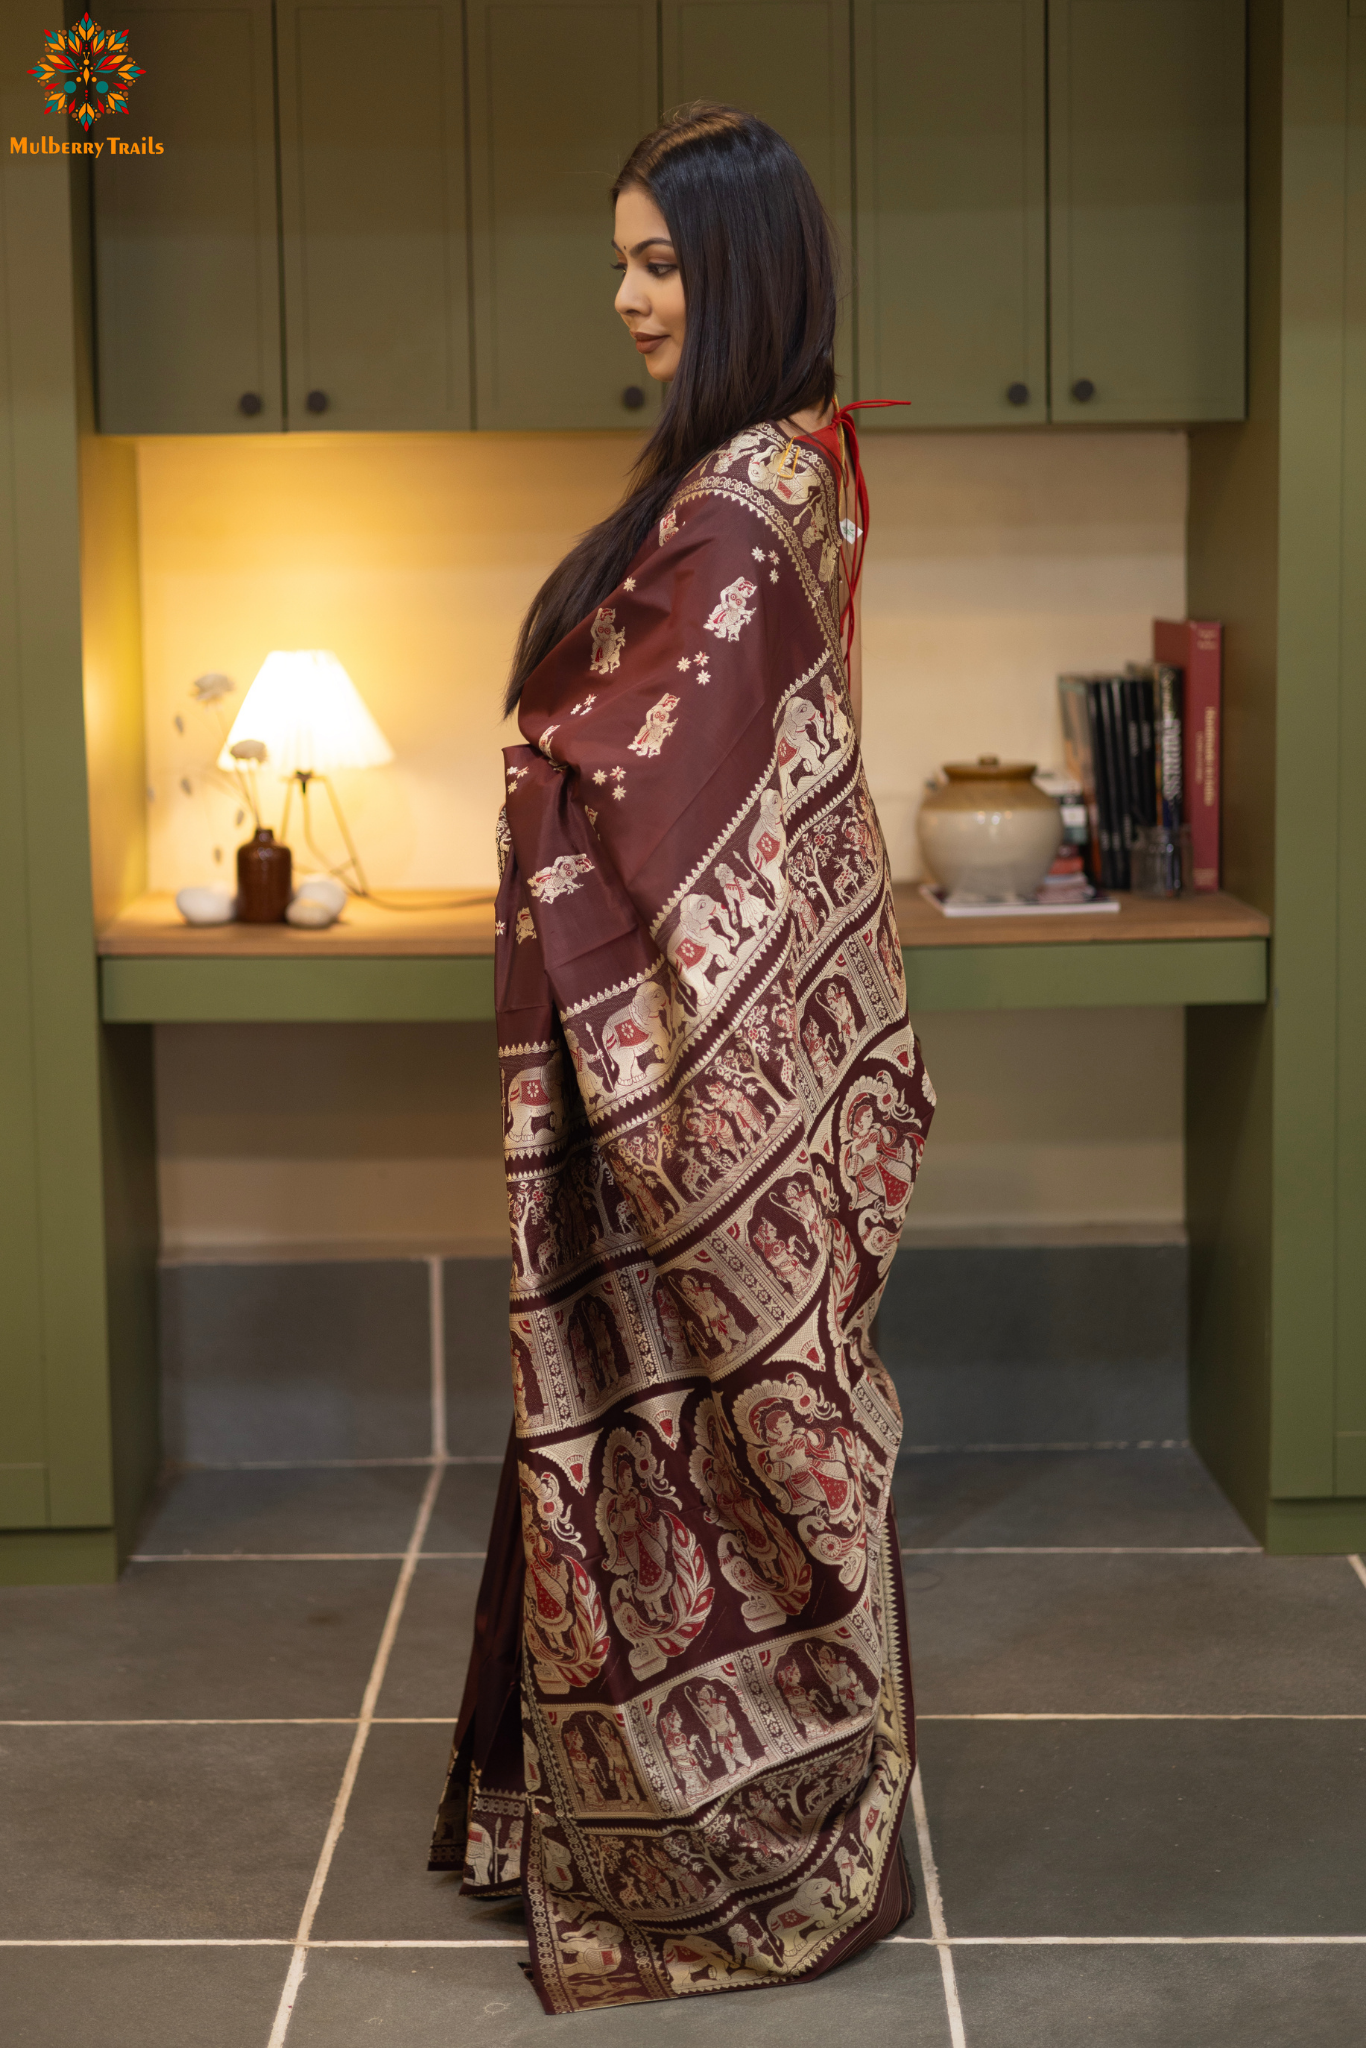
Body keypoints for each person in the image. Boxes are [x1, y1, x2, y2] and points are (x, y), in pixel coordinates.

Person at [429, 101, 935, 2015]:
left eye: (660, 261)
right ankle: (649, 1807)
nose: (628, 296)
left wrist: (535, 759)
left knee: (689, 1424)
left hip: (694, 1077)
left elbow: (648, 798)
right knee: (708, 1423)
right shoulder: (783, 475)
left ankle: (729, 1849)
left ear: (741, 272)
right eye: (623, 259)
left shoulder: (739, 508)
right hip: (749, 1058)